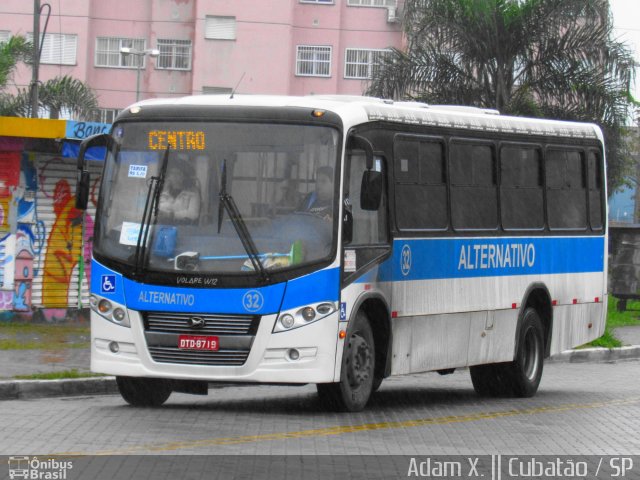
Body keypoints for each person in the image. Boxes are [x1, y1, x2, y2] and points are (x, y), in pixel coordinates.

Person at [158, 157, 201, 224]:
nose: (174, 176)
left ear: (184, 176)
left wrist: (171, 215)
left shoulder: (193, 192)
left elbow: (193, 214)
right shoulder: (162, 191)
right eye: (172, 173)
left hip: (184, 228)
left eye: (178, 173)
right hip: (161, 226)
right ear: (169, 176)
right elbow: (153, 211)